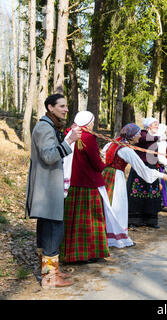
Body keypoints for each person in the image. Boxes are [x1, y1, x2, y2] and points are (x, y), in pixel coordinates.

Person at [25, 93, 81, 288]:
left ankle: (52, 271)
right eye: (62, 106)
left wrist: (66, 137)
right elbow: (49, 156)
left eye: (66, 106)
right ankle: (49, 278)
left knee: (51, 230)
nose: (66, 109)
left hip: (49, 188)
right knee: (52, 232)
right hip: (45, 191)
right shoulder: (43, 128)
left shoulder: (49, 126)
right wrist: (70, 141)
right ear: (50, 107)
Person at [102, 123, 167, 244]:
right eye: (138, 134)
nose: (139, 136)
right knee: (117, 206)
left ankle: (108, 235)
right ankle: (116, 238)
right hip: (116, 177)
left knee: (108, 205)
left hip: (107, 174)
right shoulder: (126, 150)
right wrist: (161, 175)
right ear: (132, 136)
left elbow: (104, 153)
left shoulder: (114, 142)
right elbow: (142, 169)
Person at [60, 111, 111, 263]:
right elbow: (97, 164)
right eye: (93, 122)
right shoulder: (88, 137)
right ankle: (89, 253)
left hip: (72, 184)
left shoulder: (69, 133)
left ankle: (72, 254)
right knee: (90, 221)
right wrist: (105, 164)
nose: (93, 125)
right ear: (89, 123)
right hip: (88, 184)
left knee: (73, 222)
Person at [127, 117, 162, 228]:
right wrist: (160, 136)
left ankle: (151, 220)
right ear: (148, 126)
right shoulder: (142, 134)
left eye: (157, 124)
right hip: (140, 167)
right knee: (137, 193)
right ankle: (134, 220)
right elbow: (147, 139)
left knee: (151, 193)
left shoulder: (153, 137)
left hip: (151, 167)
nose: (157, 126)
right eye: (154, 124)